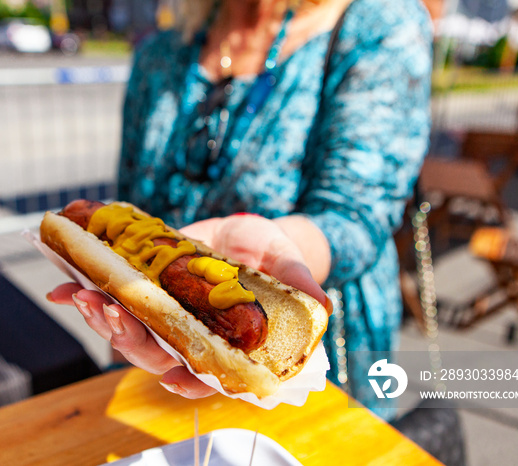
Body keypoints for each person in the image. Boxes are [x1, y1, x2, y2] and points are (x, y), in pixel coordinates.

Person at [48, 0, 432, 420]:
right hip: (164, 361)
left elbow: (357, 214)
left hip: (322, 366)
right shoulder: (160, 54)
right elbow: (130, 205)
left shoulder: (378, 23)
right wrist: (125, 333)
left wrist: (276, 251)